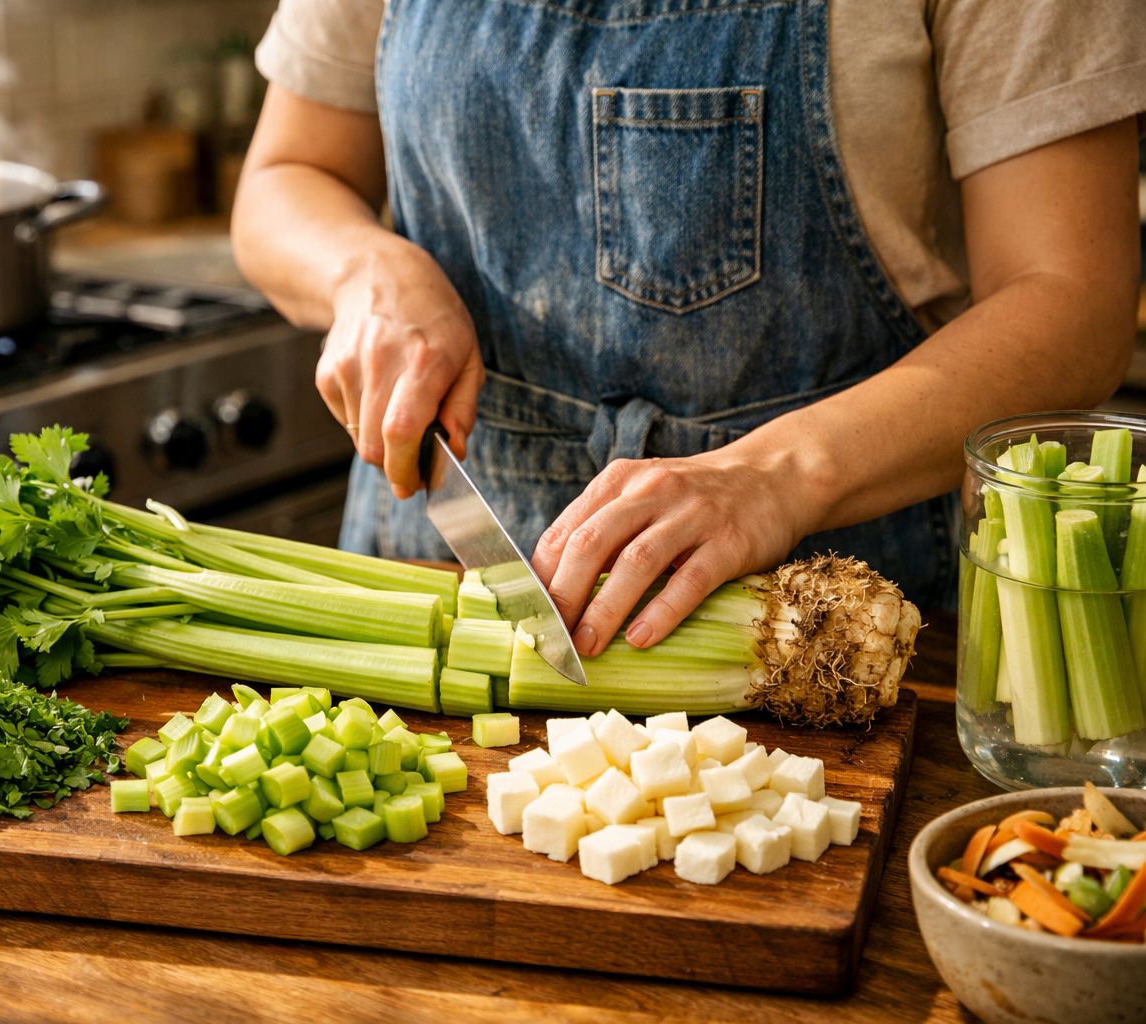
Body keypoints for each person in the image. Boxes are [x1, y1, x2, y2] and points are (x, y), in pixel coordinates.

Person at [230, 0, 1145, 658]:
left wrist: (778, 474)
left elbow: (1073, 299)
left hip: (821, 636)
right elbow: (284, 177)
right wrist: (367, 271)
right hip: (432, 592)